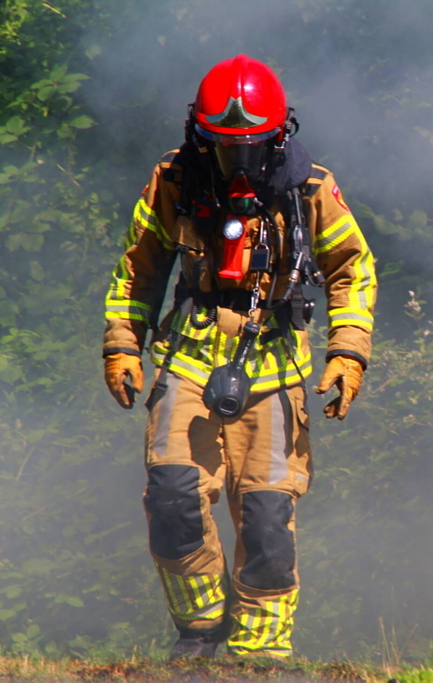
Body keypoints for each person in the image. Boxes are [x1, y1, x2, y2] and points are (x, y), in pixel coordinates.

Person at [102, 54, 376, 660]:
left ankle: (259, 656)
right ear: (199, 134)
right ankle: (198, 633)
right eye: (224, 149)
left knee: (267, 518)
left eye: (249, 149)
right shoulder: (174, 179)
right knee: (172, 496)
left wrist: (348, 352)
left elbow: (352, 270)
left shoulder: (309, 190)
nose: (238, 165)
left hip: (274, 366)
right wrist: (123, 342)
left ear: (280, 135)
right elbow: (138, 268)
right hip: (191, 357)